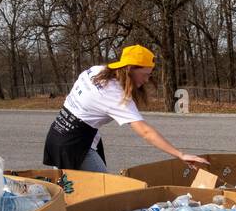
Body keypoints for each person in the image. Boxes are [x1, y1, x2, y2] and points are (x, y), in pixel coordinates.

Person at [42, 44, 208, 172]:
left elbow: (71, 97)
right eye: (145, 74)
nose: (147, 80)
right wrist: (180, 154)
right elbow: (145, 132)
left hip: (57, 133)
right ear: (130, 69)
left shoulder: (96, 71)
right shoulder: (116, 95)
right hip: (74, 146)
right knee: (104, 191)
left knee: (73, 190)